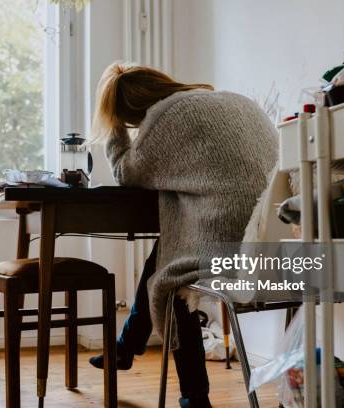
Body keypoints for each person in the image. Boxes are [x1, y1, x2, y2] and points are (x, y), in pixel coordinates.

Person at [88, 62, 278, 408]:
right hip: (269, 234)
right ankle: (126, 346)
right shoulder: (225, 99)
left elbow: (126, 173)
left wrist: (114, 129)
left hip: (227, 238)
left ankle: (194, 396)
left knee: (173, 279)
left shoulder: (165, 118)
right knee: (168, 251)